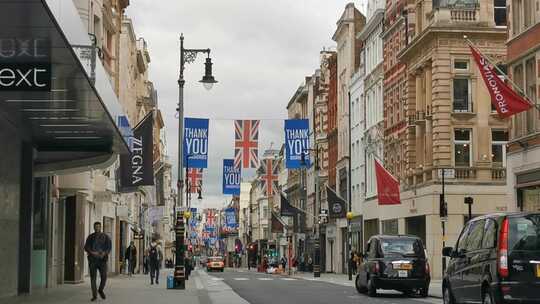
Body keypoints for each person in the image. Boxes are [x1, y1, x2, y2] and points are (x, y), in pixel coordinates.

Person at [84, 222, 112, 302]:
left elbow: (109, 247)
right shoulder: (90, 237)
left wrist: (104, 253)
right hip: (93, 260)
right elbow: (86, 247)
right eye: (95, 227)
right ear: (93, 227)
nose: (97, 228)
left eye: (98, 227)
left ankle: (100, 290)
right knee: (93, 278)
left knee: (104, 276)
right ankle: (94, 295)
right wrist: (92, 252)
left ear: (101, 227)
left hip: (102, 260)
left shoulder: (106, 237)